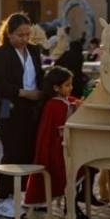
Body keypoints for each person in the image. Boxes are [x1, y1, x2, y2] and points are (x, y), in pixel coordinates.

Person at [0, 12, 44, 218]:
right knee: (11, 152)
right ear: (9, 34)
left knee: (28, 152)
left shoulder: (33, 51)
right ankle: (3, 199)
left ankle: (23, 195)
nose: (24, 39)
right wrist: (23, 93)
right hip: (9, 107)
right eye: (20, 35)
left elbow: (39, 75)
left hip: (31, 109)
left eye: (27, 34)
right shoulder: (1, 54)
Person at [24, 67, 78, 208]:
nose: (71, 88)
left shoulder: (65, 101)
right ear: (56, 87)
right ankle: (71, 204)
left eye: (71, 84)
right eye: (67, 85)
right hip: (56, 148)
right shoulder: (53, 105)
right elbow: (55, 129)